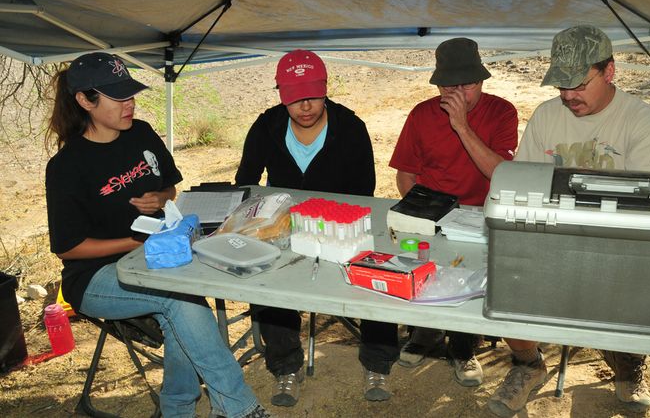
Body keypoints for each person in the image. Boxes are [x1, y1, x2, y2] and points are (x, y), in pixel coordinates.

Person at [44, 53, 272, 418]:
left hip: (158, 255)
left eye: (130, 94)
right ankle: (238, 408)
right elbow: (70, 248)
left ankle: (178, 410)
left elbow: (170, 190)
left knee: (185, 304)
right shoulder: (66, 167)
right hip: (97, 276)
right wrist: (134, 244)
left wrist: (161, 198)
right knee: (179, 301)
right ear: (85, 100)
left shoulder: (141, 133)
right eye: (118, 98)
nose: (130, 103)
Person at [487, 25, 650, 418]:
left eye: (578, 84)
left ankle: (625, 362)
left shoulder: (640, 121)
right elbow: (525, 183)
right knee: (505, 279)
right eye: (561, 86)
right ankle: (527, 364)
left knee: (633, 280)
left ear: (609, 72)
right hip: (553, 239)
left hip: (618, 243)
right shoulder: (546, 116)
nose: (569, 96)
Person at [235, 50, 399, 405]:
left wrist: (336, 228)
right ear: (281, 95)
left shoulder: (351, 127)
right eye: (294, 98)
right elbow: (246, 184)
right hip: (285, 228)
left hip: (342, 225)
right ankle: (286, 367)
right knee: (267, 281)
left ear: (325, 89)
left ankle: (378, 363)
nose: (304, 106)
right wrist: (269, 223)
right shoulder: (267, 126)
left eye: (312, 95)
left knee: (375, 275)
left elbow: (365, 192)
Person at [388, 37, 518, 386]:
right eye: (449, 85)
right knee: (422, 268)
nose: (458, 92)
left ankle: (463, 347)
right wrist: (421, 213)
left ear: (482, 81)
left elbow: (500, 173)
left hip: (480, 214)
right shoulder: (421, 114)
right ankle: (425, 334)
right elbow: (406, 173)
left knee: (471, 278)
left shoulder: (502, 112)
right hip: (430, 211)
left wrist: (461, 124)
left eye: (467, 84)